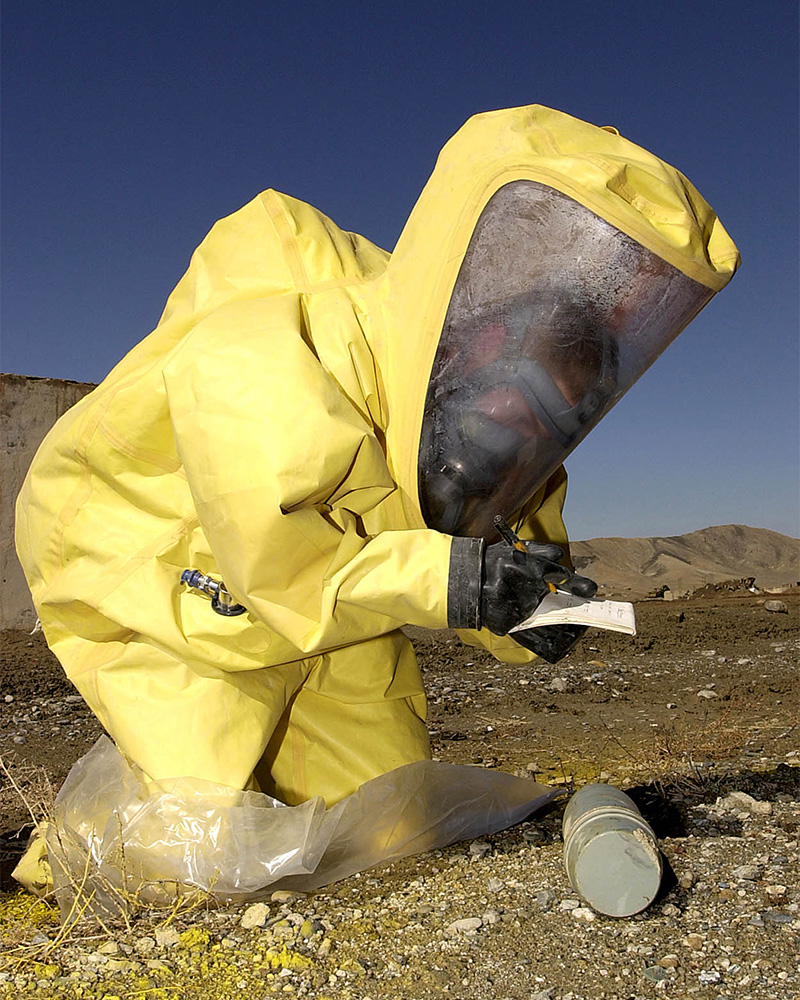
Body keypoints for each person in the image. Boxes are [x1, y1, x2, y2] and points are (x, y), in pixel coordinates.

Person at [14, 105, 739, 895]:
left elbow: (499, 563)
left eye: (560, 418)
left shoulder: (492, 440)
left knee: (387, 827)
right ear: (482, 347)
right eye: (529, 398)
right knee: (199, 847)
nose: (533, 432)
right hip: (166, 577)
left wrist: (534, 617)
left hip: (336, 603)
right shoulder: (271, 360)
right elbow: (283, 568)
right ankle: (68, 862)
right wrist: (455, 583)